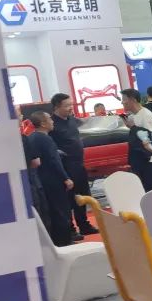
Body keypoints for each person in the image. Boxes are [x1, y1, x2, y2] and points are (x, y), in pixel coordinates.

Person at [48, 93, 98, 239]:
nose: (71, 108)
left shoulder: (72, 120)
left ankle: (84, 225)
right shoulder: (52, 124)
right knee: (67, 199)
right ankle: (70, 228)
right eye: (67, 106)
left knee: (82, 196)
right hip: (65, 167)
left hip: (79, 164)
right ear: (57, 107)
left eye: (71, 104)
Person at [28, 111, 75, 246]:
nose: (52, 121)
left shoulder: (32, 137)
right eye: (49, 119)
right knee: (61, 211)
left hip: (41, 180)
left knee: (51, 211)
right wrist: (65, 178)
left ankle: (56, 241)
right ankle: (65, 241)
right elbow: (54, 161)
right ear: (43, 123)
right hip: (53, 180)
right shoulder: (45, 139)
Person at [122, 89, 152, 190]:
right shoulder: (133, 116)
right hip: (139, 161)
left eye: (124, 99)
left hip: (149, 162)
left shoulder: (146, 115)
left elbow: (150, 137)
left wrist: (133, 128)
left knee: (150, 190)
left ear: (133, 100)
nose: (122, 102)